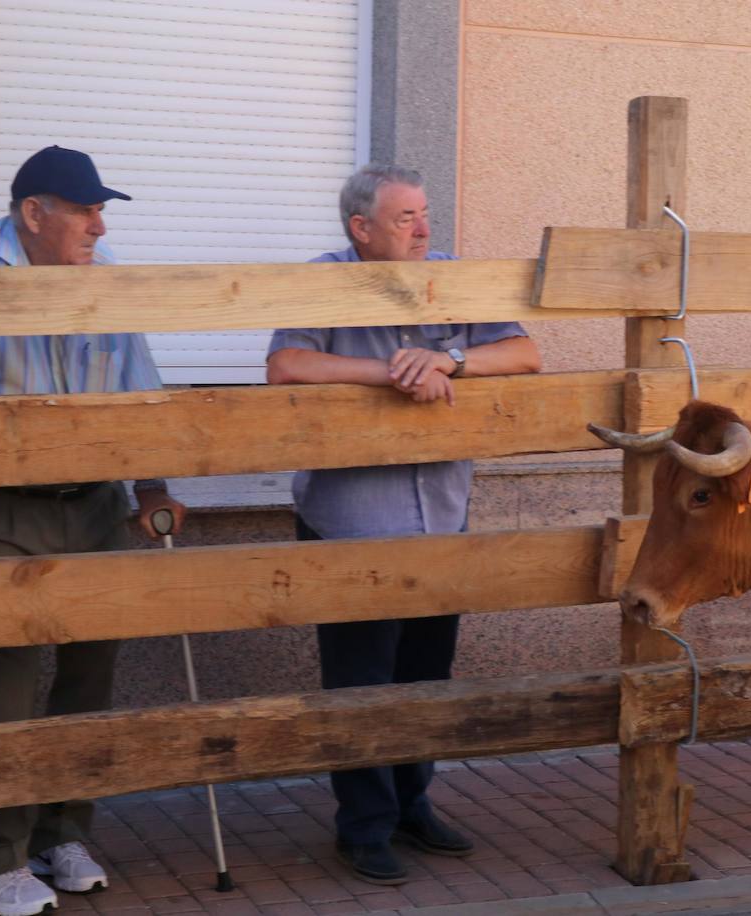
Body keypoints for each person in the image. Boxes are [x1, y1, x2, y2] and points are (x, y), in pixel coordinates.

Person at [266, 164, 541, 886]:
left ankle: (412, 804)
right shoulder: (322, 280)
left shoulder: (453, 276)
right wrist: (392, 372)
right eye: (404, 219)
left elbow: (525, 353)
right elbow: (286, 366)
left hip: (441, 517)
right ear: (360, 229)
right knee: (361, 682)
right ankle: (363, 826)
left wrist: (448, 357)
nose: (423, 230)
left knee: (426, 673)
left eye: (425, 214)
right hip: (353, 523)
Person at [0, 146, 187, 916]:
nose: (100, 225)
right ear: (34, 214)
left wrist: (154, 485)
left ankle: (60, 832)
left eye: (103, 210)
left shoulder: (106, 279)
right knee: (1, 677)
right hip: (7, 502)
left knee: (89, 673)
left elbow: (138, 387)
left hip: (96, 501)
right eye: (86, 209)